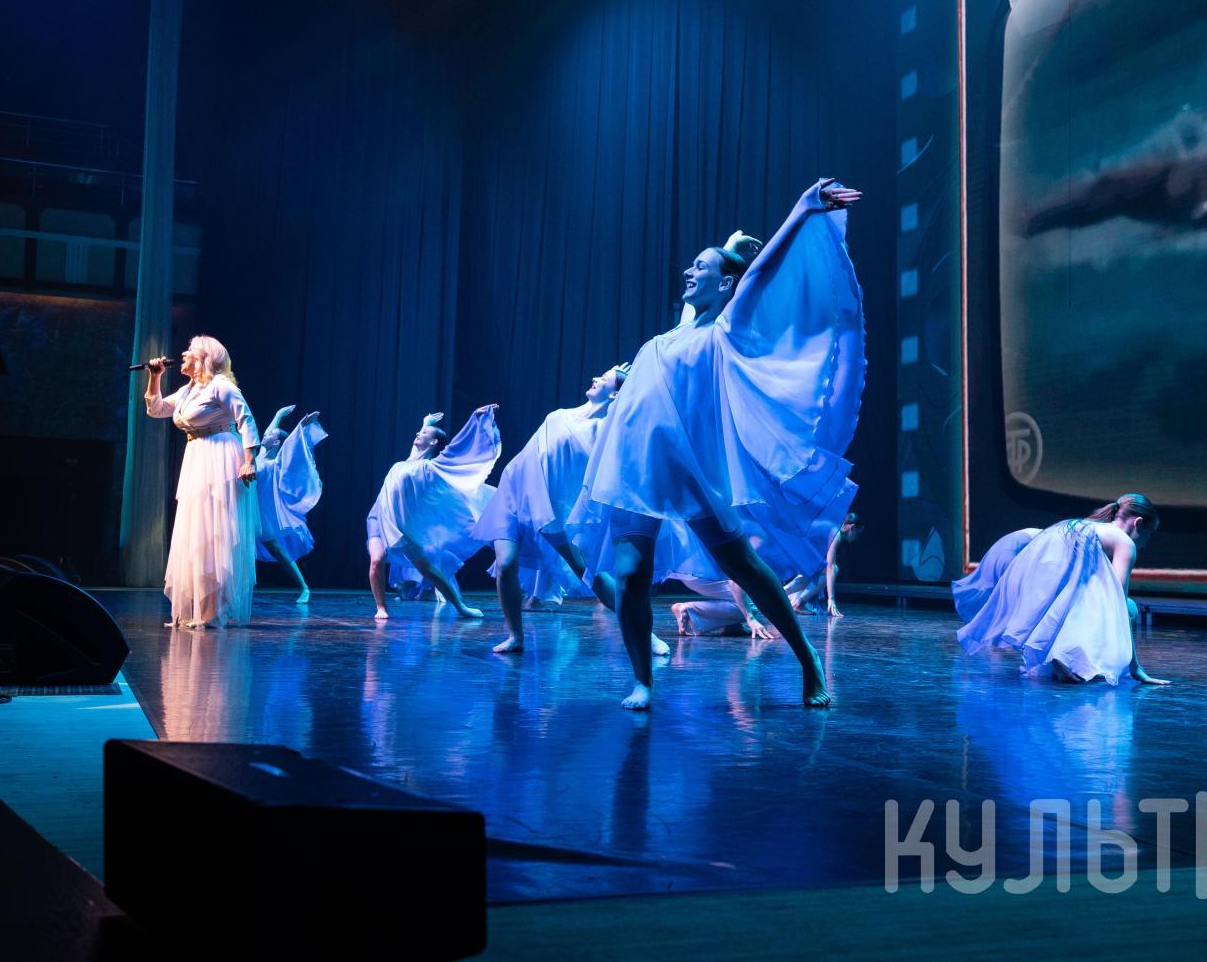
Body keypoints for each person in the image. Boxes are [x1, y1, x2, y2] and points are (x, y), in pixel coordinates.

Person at [572, 179, 865, 709]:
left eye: (701, 267)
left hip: (688, 471)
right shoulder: (674, 333)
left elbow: (760, 274)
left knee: (743, 567)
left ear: (726, 283)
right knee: (631, 574)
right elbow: (701, 302)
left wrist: (802, 209)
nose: (690, 271)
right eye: (691, 265)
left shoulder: (723, 331)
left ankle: (808, 658)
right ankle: (642, 680)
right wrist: (725, 248)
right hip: (632, 465)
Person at [475, 366, 654, 655]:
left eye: (604, 379)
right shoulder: (559, 415)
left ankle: (646, 635)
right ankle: (515, 635)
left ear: (615, 395)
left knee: (587, 571)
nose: (595, 378)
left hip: (550, 509)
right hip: (514, 492)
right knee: (505, 564)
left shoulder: (604, 432)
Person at [952, 494, 1170, 686]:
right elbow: (1118, 603)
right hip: (1048, 557)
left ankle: (1057, 657)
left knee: (1077, 600)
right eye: (1148, 535)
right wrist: (1135, 668)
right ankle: (1063, 657)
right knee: (1127, 608)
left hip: (1041, 551)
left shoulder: (1091, 526)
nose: (1146, 543)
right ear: (1138, 523)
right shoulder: (1124, 542)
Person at [143, 336, 261, 630]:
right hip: (197, 458)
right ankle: (197, 609)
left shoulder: (221, 386)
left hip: (220, 457)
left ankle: (213, 611)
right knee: (196, 531)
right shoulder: (188, 391)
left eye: (190, 351)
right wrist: (155, 377)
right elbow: (156, 409)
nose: (183, 354)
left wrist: (249, 460)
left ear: (204, 358)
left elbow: (246, 419)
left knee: (215, 532)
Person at [365, 406, 501, 620]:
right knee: (376, 560)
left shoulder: (430, 469)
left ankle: (461, 607)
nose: (418, 434)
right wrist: (425, 424)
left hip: (402, 526)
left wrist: (475, 419)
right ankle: (381, 607)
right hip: (378, 517)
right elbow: (418, 451)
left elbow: (458, 448)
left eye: (424, 433)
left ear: (434, 442)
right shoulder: (406, 463)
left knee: (429, 570)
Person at [253, 406, 327, 606]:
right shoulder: (259, 455)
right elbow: (271, 430)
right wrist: (279, 414)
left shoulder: (276, 463)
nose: (265, 435)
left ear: (276, 442)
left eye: (269, 435)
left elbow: (293, 446)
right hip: (246, 508)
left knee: (277, 550)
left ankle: (304, 587)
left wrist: (302, 425)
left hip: (263, 512)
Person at [787, 512, 861, 617]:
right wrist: (831, 599)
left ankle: (780, 595)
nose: (857, 538)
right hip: (793, 546)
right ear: (852, 527)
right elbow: (830, 567)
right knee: (832, 570)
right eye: (858, 533)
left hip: (794, 546)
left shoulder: (833, 527)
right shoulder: (835, 533)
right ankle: (798, 603)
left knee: (816, 573)